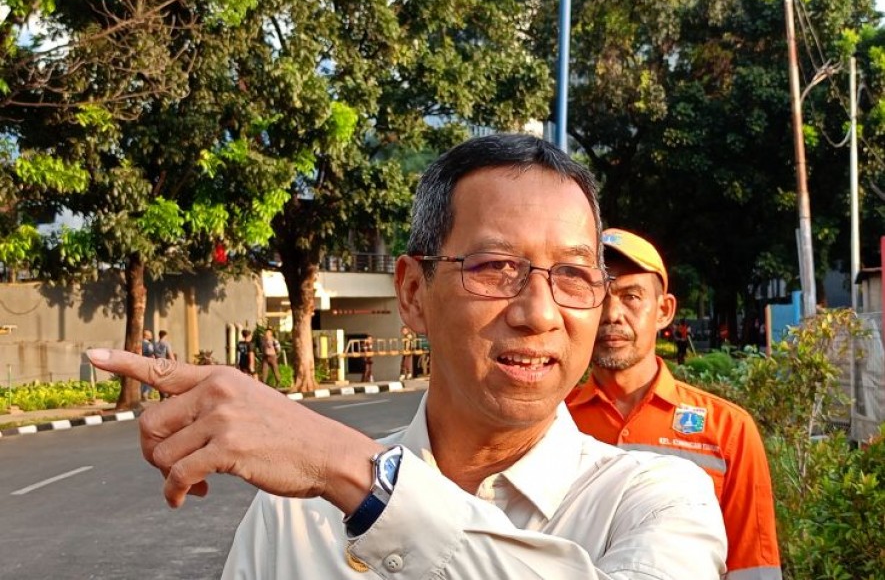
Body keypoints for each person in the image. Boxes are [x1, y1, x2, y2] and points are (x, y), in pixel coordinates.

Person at [87, 134, 726, 579]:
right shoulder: (296, 516)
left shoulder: (657, 500)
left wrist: (359, 478)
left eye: (572, 274)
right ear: (414, 293)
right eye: (496, 266)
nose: (538, 312)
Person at [568, 228, 781, 580]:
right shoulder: (549, 421)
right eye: (598, 297)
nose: (612, 315)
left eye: (631, 296)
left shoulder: (728, 430)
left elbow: (754, 569)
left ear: (664, 310)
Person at [153, 330, 176, 400]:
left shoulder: (155, 344)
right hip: (165, 363)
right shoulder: (166, 343)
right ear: (165, 336)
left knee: (159, 379)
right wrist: (174, 362)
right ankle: (169, 394)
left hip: (157, 363)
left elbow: (153, 354)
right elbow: (170, 353)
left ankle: (162, 396)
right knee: (168, 379)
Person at [140, 329, 155, 401]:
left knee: (142, 379)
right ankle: (145, 392)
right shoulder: (149, 344)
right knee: (150, 378)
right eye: (150, 335)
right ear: (146, 336)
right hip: (148, 363)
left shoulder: (139, 343)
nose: (151, 336)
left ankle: (141, 393)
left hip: (141, 363)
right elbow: (151, 354)